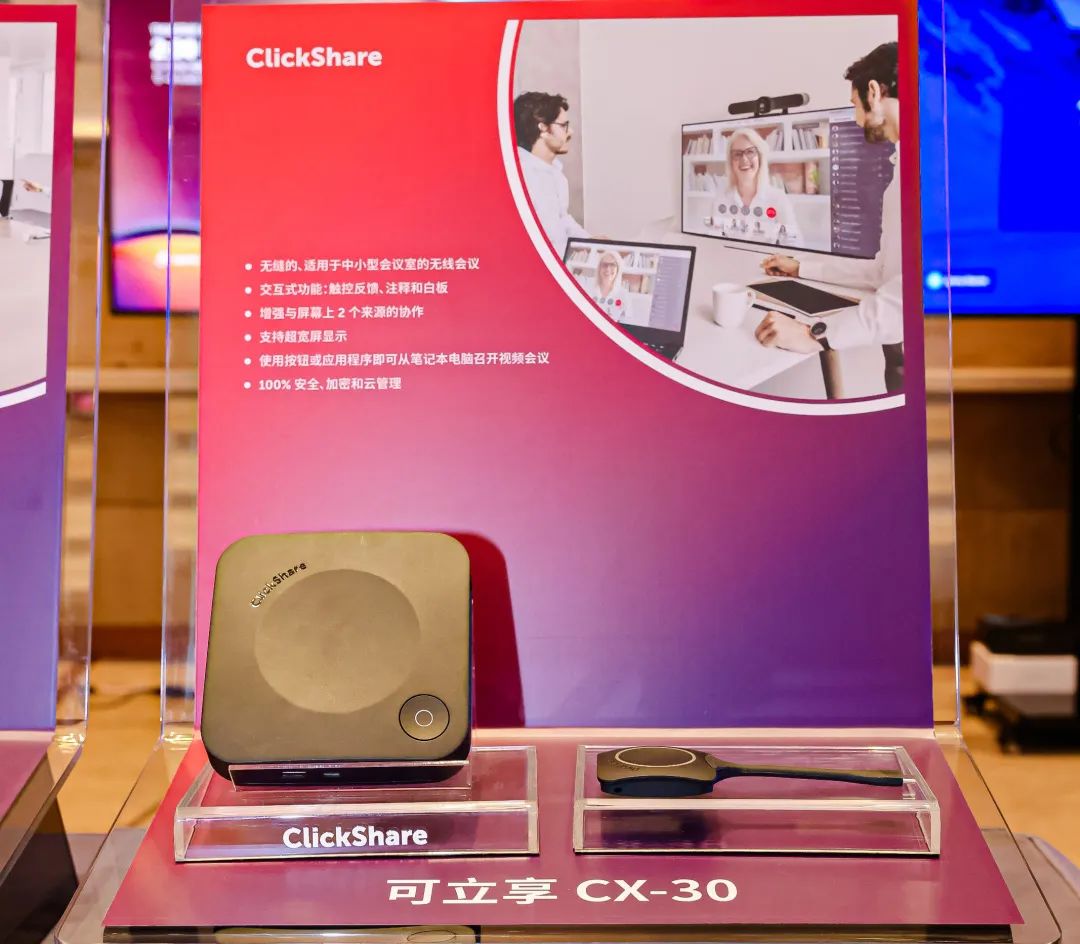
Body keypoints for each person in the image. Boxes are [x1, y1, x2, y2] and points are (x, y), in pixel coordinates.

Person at [755, 41, 903, 388]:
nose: (855, 119)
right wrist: (801, 268)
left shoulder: (933, 174)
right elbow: (886, 273)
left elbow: (913, 298)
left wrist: (815, 334)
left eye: (854, 105)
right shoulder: (905, 172)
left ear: (873, 92)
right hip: (899, 356)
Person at [514, 91, 589, 257]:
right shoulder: (521, 176)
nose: (571, 132)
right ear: (543, 129)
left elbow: (562, 220)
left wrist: (592, 243)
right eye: (563, 126)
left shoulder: (555, 173)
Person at [713, 128, 799, 244]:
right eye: (737, 154)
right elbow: (714, 243)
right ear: (731, 162)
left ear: (760, 157)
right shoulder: (720, 199)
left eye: (750, 152)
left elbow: (795, 244)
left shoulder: (778, 198)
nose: (744, 159)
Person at [588, 251, 631, 323]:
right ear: (599, 269)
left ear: (618, 269)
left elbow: (627, 321)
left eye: (612, 265)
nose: (608, 269)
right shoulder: (588, 288)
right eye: (604, 265)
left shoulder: (624, 294)